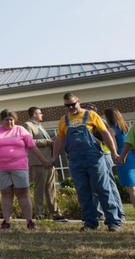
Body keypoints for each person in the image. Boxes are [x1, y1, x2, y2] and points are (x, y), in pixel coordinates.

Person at [51, 93, 122, 231]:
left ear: (78, 101)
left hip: (94, 158)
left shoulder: (91, 115)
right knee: (83, 191)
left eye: (73, 104)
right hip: (75, 160)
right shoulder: (64, 120)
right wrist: (54, 157)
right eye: (68, 106)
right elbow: (60, 140)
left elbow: (105, 133)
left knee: (103, 188)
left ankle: (114, 222)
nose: (71, 107)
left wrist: (114, 152)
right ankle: (90, 223)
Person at [0, 109, 50, 232]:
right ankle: (6, 221)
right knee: (6, 194)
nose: (9, 122)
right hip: (1, 168)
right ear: (1, 120)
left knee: (23, 194)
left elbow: (33, 147)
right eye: (6, 120)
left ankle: (29, 221)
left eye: (12, 119)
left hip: (19, 167)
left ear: (15, 120)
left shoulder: (21, 130)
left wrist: (43, 160)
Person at [23, 107, 65, 221]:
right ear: (33, 114)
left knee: (51, 188)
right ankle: (39, 214)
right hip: (38, 162)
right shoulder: (28, 125)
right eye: (39, 113)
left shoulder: (40, 126)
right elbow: (29, 142)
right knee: (40, 189)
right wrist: (48, 141)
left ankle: (55, 212)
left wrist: (53, 140)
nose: (42, 114)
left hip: (49, 161)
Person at [106, 108, 135, 209]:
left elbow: (114, 147)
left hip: (124, 158)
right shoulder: (126, 127)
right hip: (132, 156)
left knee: (132, 189)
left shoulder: (111, 129)